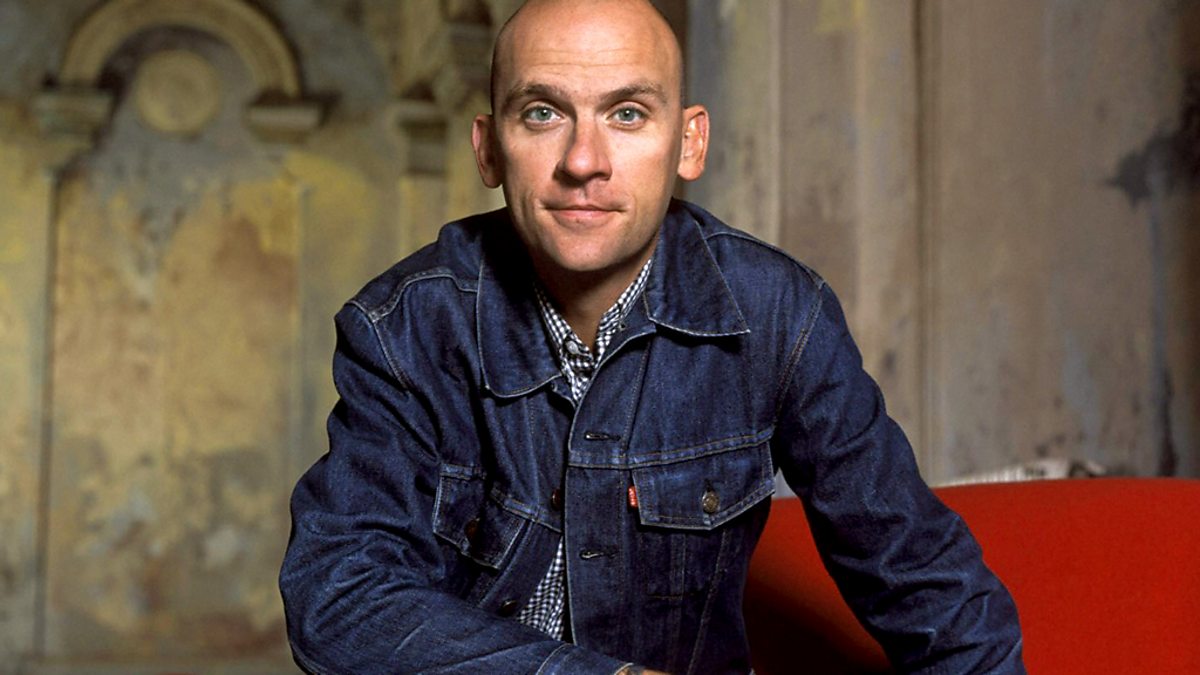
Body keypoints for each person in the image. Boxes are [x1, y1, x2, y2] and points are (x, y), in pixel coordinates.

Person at [279, 0, 1025, 673]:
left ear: (689, 143)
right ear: (489, 149)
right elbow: (340, 599)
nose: (583, 161)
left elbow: (927, 585)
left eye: (628, 114)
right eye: (542, 113)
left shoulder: (777, 312)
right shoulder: (404, 326)